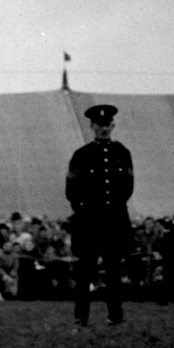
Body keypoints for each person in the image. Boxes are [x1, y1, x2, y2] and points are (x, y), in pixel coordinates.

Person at [65, 104, 134, 326]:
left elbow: (127, 187)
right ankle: (80, 316)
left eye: (107, 125)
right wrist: (84, 211)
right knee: (85, 271)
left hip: (114, 222)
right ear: (92, 126)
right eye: (99, 125)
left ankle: (115, 315)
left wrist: (112, 210)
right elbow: (71, 190)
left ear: (112, 126)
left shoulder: (122, 153)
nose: (103, 129)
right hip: (89, 223)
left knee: (113, 271)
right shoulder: (82, 155)